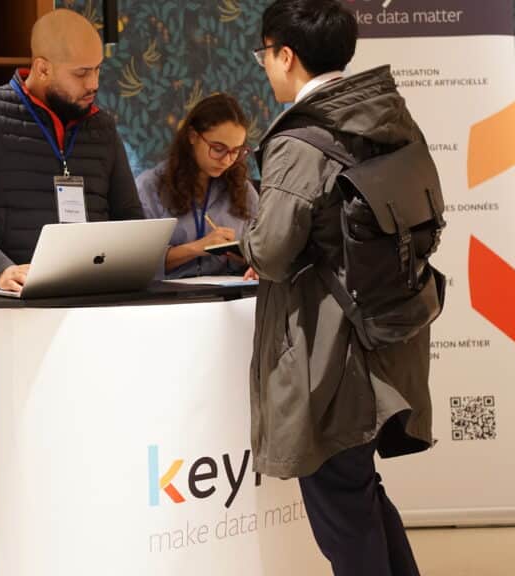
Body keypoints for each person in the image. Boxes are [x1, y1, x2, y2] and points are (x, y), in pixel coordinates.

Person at [0, 9, 143, 575]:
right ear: (42, 68)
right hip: (14, 322)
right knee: (18, 452)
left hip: (95, 317)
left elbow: (129, 213)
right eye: (81, 73)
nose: (94, 83)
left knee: (88, 450)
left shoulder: (101, 128)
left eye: (98, 70)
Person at [241, 1, 436, 574]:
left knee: (344, 513)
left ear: (285, 55)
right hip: (389, 336)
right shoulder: (391, 118)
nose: (265, 66)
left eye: (264, 54)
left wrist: (244, 239)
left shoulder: (300, 140)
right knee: (357, 492)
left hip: (329, 354)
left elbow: (272, 251)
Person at [134, 94, 259, 278]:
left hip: (229, 293)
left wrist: (249, 260)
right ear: (193, 136)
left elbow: (263, 249)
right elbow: (137, 263)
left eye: (236, 151)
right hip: (168, 294)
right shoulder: (151, 186)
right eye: (218, 149)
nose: (227, 160)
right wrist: (197, 248)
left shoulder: (243, 189)